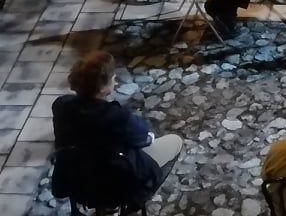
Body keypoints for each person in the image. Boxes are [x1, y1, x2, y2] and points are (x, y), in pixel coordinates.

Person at [51, 50, 185, 207]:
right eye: (112, 78)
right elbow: (142, 136)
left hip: (75, 182)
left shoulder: (61, 105)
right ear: (102, 88)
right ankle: (140, 195)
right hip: (112, 185)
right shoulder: (115, 116)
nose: (115, 80)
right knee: (175, 141)